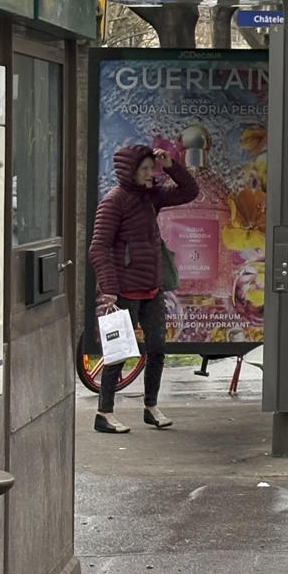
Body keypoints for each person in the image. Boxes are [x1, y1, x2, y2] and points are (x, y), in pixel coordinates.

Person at [89, 143, 198, 433]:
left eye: (153, 168)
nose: (152, 174)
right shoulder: (114, 201)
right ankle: (104, 412)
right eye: (146, 169)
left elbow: (190, 192)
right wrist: (110, 288)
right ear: (131, 171)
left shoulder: (151, 197)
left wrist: (171, 166)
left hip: (151, 288)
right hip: (124, 290)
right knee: (118, 353)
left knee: (158, 349)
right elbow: (98, 247)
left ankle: (151, 407)